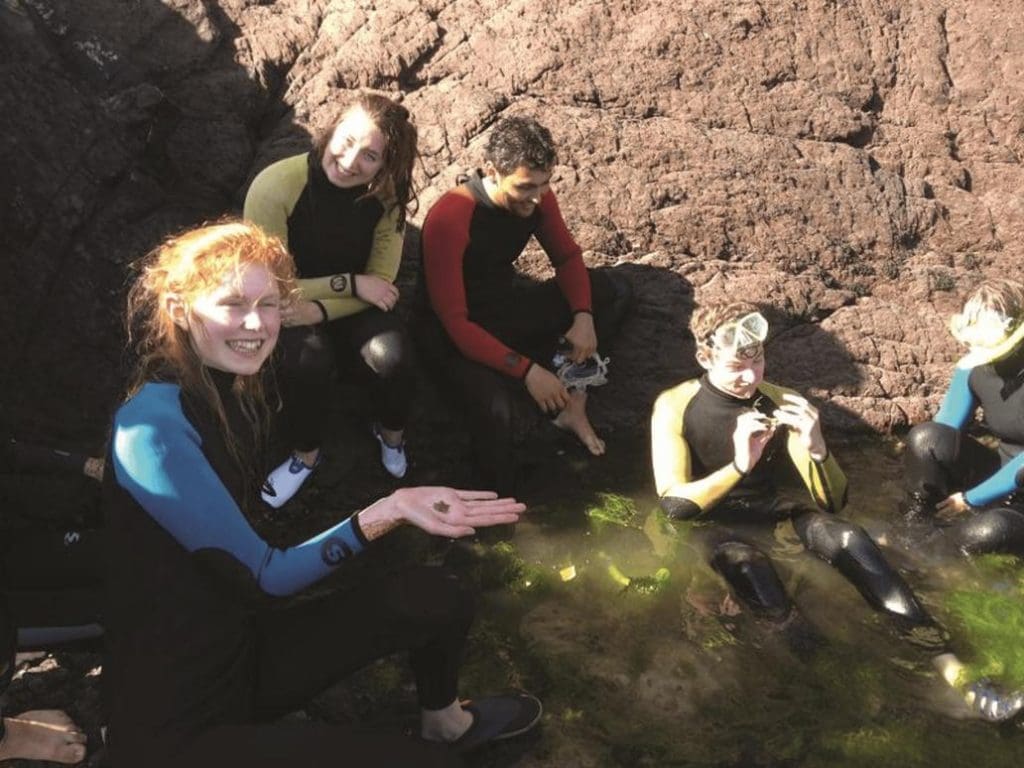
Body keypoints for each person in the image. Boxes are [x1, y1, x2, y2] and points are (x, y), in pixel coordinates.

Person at [103, 221, 541, 767]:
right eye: (232, 304)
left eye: (267, 305)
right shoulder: (152, 429)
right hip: (176, 726)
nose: (255, 324)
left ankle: (445, 724)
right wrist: (389, 509)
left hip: (242, 654)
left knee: (437, 595)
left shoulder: (231, 389)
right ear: (177, 308)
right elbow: (267, 576)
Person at [651, 300, 1023, 721]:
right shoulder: (674, 405)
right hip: (714, 523)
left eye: (757, 363)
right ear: (704, 357)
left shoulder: (780, 400)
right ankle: (839, 683)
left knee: (851, 539)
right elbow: (675, 506)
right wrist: (740, 465)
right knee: (752, 569)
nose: (750, 377)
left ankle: (958, 675)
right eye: (736, 366)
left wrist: (816, 447)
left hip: (777, 513)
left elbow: (833, 502)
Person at [417, 115, 633, 496]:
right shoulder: (450, 217)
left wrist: (583, 317)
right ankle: (501, 507)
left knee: (610, 291)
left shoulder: (539, 198)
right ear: (493, 172)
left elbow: (566, 258)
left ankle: (572, 403)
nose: (538, 196)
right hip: (448, 335)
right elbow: (454, 321)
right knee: (496, 411)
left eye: (546, 183)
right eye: (526, 187)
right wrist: (527, 372)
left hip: (502, 312)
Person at [244, 93, 419, 506]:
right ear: (332, 128)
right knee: (308, 361)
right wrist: (348, 285)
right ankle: (305, 455)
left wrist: (323, 305)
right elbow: (270, 286)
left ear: (385, 165)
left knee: (393, 355)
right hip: (286, 303)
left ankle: (391, 433)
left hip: (345, 305)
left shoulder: (388, 198)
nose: (350, 160)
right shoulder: (276, 186)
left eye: (371, 155)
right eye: (348, 139)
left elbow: (382, 281)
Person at [902, 278, 1024, 556]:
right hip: (998, 476)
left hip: (1015, 493)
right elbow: (941, 433)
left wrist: (971, 499)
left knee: (989, 530)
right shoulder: (974, 368)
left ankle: (930, 558)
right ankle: (912, 533)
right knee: (925, 438)